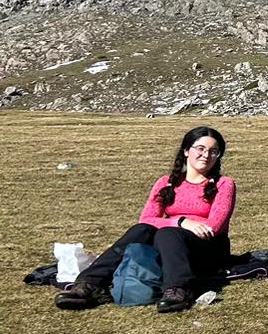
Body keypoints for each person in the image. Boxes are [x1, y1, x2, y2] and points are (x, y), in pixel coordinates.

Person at [55, 126, 237, 314]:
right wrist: (180, 222)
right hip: (171, 246)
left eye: (213, 151)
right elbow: (147, 219)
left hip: (208, 249)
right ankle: (89, 284)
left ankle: (179, 290)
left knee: (167, 234)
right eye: (200, 148)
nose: (206, 155)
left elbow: (214, 226)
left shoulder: (224, 184)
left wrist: (177, 226)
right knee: (141, 230)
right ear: (186, 151)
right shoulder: (166, 183)